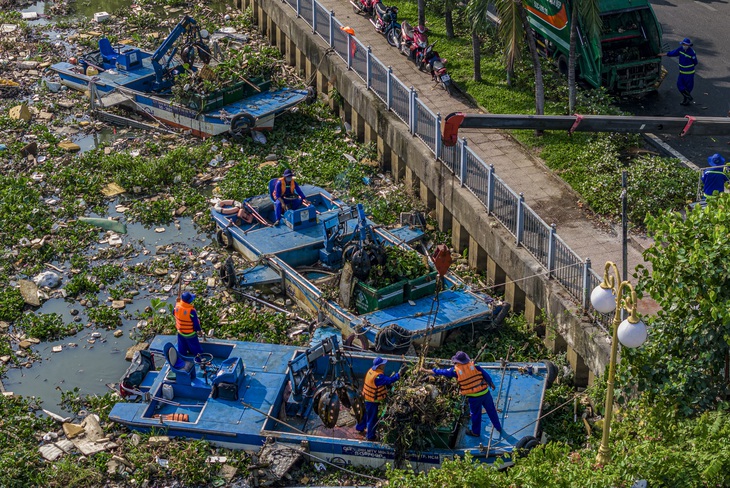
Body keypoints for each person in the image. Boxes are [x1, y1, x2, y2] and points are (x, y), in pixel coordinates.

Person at [422, 351, 501, 437]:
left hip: (474, 397)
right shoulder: (474, 366)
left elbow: (441, 371)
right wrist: (491, 383)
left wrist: (426, 370)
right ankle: (498, 427)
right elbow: (486, 375)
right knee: (491, 410)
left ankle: (476, 432)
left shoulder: (455, 370)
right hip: (485, 393)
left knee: (475, 415)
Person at [355, 357, 400, 441]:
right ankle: (370, 436)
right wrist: (398, 376)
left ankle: (359, 427)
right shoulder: (378, 377)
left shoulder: (371, 371)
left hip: (366, 398)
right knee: (372, 418)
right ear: (380, 366)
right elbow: (389, 380)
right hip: (372, 401)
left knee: (365, 415)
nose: (384, 365)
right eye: (383, 364)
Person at [659, 38, 698, 106]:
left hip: (689, 73)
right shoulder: (681, 49)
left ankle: (686, 99)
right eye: (683, 44)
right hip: (682, 72)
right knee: (679, 84)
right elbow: (673, 53)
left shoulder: (691, 53)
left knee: (688, 87)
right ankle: (688, 97)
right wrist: (664, 54)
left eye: (685, 44)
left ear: (688, 45)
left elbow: (695, 62)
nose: (684, 45)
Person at [174, 291, 204, 357]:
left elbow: (173, 312)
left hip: (180, 332)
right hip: (190, 334)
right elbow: (195, 323)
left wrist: (177, 302)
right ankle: (199, 360)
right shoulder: (191, 311)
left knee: (182, 348)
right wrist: (199, 331)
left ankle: (183, 358)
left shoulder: (177, 306)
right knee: (196, 348)